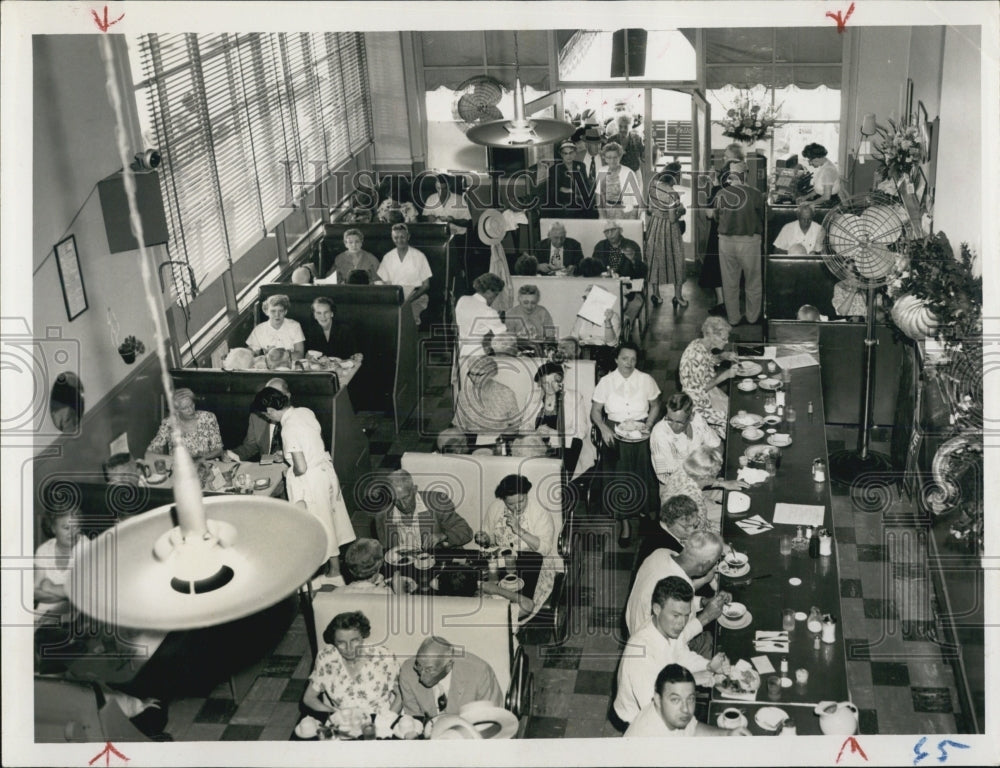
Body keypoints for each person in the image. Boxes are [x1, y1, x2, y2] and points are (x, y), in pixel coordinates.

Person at [251, 386, 356, 583]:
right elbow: (312, 442)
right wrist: (289, 454)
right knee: (332, 518)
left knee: (321, 524)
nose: (269, 418)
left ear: (271, 411)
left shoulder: (288, 428)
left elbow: (301, 467)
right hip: (326, 471)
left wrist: (288, 469)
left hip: (312, 481)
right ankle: (335, 568)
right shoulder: (304, 412)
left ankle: (333, 572)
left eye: (267, 415)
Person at [613, 576, 729, 727]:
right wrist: (692, 679)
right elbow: (654, 707)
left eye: (686, 615)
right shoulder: (640, 653)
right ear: (656, 609)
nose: (681, 623)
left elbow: (682, 655)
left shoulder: (667, 628)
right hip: (637, 720)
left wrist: (709, 666)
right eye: (676, 615)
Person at [591, 342, 662, 545]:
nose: (629, 363)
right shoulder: (606, 382)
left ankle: (649, 518)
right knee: (619, 479)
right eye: (624, 358)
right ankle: (625, 524)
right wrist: (604, 429)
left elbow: (656, 405)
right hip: (615, 433)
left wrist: (648, 424)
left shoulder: (646, 380)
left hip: (641, 431)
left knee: (645, 475)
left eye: (633, 359)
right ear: (616, 359)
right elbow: (595, 412)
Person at [480, 474, 560, 621]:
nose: (517, 507)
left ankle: (507, 626)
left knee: (520, 599)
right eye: (510, 504)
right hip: (503, 561)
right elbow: (490, 540)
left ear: (526, 494)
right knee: (490, 600)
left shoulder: (540, 512)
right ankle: (500, 626)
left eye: (521, 501)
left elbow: (545, 549)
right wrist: (484, 538)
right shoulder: (495, 508)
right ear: (504, 500)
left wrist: (520, 530)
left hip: (536, 562)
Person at [625, 530, 730, 639]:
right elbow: (674, 641)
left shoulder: (661, 553)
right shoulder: (675, 585)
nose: (715, 566)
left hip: (635, 625)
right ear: (704, 565)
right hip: (653, 647)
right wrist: (706, 617)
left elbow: (671, 604)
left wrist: (703, 602)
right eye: (715, 563)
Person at [304, 611, 399, 721]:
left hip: (379, 721)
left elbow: (401, 696)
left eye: (354, 641)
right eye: (341, 642)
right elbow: (309, 698)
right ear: (334, 642)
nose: (349, 648)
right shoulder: (326, 658)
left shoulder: (383, 656)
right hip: (344, 723)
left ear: (363, 636)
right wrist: (335, 716)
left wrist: (386, 721)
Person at [624, 664, 751, 737]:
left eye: (690, 699)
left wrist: (728, 735)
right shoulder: (650, 739)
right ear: (657, 699)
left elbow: (693, 729)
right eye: (675, 700)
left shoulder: (673, 716)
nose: (685, 709)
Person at [711, 162, 765, 326]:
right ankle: (752, 317)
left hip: (726, 242)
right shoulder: (755, 194)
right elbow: (766, 218)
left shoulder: (721, 194)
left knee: (729, 282)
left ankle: (733, 319)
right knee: (753, 282)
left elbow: (716, 217)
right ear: (745, 174)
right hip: (750, 242)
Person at [396, 636, 503, 718]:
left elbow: (493, 719)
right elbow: (415, 719)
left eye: (429, 670)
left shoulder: (480, 672)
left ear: (448, 665)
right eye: (418, 666)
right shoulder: (408, 671)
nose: (421, 677)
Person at [370, 469, 473, 551]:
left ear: (414, 490)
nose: (403, 505)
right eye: (396, 500)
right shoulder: (382, 517)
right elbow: (386, 550)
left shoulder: (437, 503)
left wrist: (443, 536)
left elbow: (466, 532)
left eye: (406, 498)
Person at [519, 361, 591, 476]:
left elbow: (581, 431)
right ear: (540, 384)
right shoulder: (532, 397)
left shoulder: (574, 397)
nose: (550, 387)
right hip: (537, 446)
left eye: (554, 382)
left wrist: (553, 434)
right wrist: (535, 433)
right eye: (545, 383)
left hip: (565, 447)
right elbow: (523, 427)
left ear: (560, 381)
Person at [700, 144, 743, 316]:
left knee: (715, 267)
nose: (723, 159)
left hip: (719, 232)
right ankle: (731, 302)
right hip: (738, 232)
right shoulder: (744, 187)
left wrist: (714, 189)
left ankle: (721, 302)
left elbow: (709, 214)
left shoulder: (719, 190)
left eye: (726, 157)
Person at [649, 392, 722, 494]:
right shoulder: (659, 434)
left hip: (706, 479)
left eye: (679, 422)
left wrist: (713, 474)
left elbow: (717, 446)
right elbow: (674, 476)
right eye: (669, 419)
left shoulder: (697, 419)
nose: (673, 426)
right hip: (677, 489)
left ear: (691, 416)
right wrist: (717, 483)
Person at [678, 316, 740, 434]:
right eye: (723, 339)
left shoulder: (699, 344)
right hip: (697, 403)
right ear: (711, 335)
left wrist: (723, 356)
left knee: (735, 408)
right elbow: (701, 389)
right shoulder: (695, 355)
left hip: (707, 393)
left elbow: (708, 361)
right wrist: (725, 375)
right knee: (733, 423)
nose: (726, 341)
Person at [660, 447, 746, 525]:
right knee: (734, 516)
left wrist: (724, 484)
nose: (717, 474)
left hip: (686, 500)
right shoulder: (693, 498)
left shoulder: (685, 468)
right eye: (716, 473)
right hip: (685, 522)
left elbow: (704, 480)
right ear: (705, 477)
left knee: (726, 491)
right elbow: (700, 526)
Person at [645, 164, 687, 308]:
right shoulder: (672, 194)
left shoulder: (653, 187)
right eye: (679, 174)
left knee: (655, 259)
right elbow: (672, 219)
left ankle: (656, 294)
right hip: (670, 230)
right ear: (674, 176)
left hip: (654, 226)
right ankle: (678, 297)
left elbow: (650, 210)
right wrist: (682, 211)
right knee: (677, 260)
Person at [34, 506, 83, 623]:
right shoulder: (43, 550)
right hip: (43, 612)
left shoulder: (87, 548)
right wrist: (68, 594)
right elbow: (35, 592)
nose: (73, 533)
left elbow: (86, 591)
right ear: (53, 528)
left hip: (76, 615)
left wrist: (50, 587)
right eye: (66, 528)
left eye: (76, 527)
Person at [145, 387, 224, 460]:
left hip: (206, 465)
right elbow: (153, 449)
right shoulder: (169, 423)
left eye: (192, 405)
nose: (191, 410)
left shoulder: (208, 418)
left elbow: (218, 450)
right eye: (185, 408)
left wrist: (199, 459)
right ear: (176, 411)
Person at [377, 223, 433, 326]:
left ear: (408, 236)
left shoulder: (419, 256)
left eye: (402, 237)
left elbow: (426, 285)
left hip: (416, 297)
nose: (399, 240)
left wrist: (409, 300)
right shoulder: (388, 257)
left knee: (407, 318)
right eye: (396, 237)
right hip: (395, 297)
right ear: (392, 238)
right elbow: (385, 282)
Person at [452, 355, 520, 437]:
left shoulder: (506, 393)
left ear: (491, 374)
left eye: (478, 374)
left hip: (499, 439)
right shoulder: (464, 394)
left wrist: (502, 437)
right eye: (471, 374)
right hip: (471, 440)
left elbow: (515, 425)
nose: (473, 378)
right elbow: (459, 425)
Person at [225, 378, 289, 462]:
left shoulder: (298, 418)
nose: (272, 403)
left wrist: (286, 457)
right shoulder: (256, 417)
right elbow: (249, 447)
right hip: (265, 470)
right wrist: (230, 454)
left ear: (288, 396)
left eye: (277, 398)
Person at [635, 494, 705, 565]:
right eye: (686, 527)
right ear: (671, 522)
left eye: (695, 524)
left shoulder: (658, 526)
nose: (692, 531)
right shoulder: (669, 549)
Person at [454, 272, 507, 361]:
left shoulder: (462, 300)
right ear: (489, 292)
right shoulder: (489, 312)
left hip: (460, 350)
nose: (495, 299)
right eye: (496, 295)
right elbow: (503, 336)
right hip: (477, 353)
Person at [246, 294, 305, 359]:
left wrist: (277, 355)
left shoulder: (294, 326)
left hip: (290, 366)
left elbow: (300, 355)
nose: (277, 315)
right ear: (266, 312)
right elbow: (251, 353)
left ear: (285, 312)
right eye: (273, 311)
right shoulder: (259, 329)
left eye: (281, 311)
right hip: (269, 366)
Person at [545, 139, 592, 217]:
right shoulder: (555, 169)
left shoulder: (580, 166)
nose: (568, 156)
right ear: (561, 154)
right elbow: (553, 191)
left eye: (571, 153)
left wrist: (568, 190)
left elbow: (585, 185)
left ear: (575, 153)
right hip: (564, 206)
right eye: (565, 153)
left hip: (580, 203)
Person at [596, 141, 642, 217]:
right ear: (604, 158)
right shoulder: (601, 171)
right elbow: (598, 195)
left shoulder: (629, 172)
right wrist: (602, 215)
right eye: (609, 157)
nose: (612, 161)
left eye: (615, 157)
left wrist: (632, 219)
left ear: (620, 157)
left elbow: (636, 201)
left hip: (626, 213)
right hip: (607, 212)